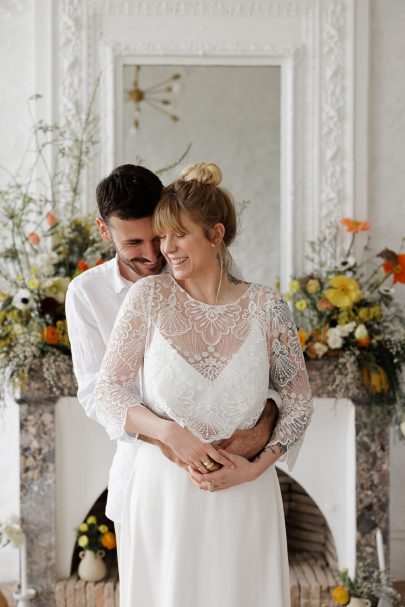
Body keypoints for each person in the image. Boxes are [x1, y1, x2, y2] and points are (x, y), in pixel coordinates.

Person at [94, 162, 313, 606]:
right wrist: (170, 432)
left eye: (179, 235)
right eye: (161, 236)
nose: (165, 249)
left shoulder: (268, 308)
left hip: (247, 494)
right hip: (165, 495)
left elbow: (299, 402)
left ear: (216, 235)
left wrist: (257, 466)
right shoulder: (148, 298)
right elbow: (108, 390)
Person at [65, 164, 280, 551]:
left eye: (158, 236)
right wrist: (168, 435)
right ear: (104, 230)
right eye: (133, 243)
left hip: (231, 475)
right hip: (148, 477)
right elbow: (98, 393)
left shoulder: (205, 271)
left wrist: (263, 427)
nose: (153, 254)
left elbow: (252, 372)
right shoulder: (86, 294)